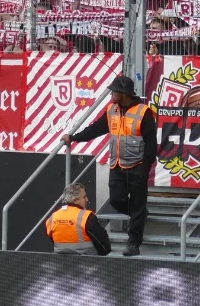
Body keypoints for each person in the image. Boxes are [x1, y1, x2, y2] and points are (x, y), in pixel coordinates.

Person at [62, 75, 156, 255]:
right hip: (117, 166)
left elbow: (151, 143)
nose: (111, 94)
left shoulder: (144, 112)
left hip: (138, 166)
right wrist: (74, 138)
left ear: (124, 94)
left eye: (114, 91)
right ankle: (139, 215)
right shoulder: (112, 110)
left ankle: (133, 244)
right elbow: (95, 129)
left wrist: (145, 167)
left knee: (137, 205)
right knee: (116, 200)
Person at [44, 182, 110, 255]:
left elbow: (53, 240)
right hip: (88, 260)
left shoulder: (52, 218)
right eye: (84, 197)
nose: (87, 200)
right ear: (75, 201)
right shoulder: (86, 217)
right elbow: (105, 247)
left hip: (60, 260)